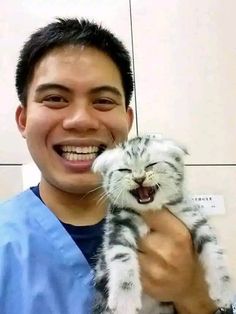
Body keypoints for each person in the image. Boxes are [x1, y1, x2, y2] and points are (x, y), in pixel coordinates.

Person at [0, 18, 233, 314]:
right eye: (56, 98)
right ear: (23, 119)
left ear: (128, 120)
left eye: (103, 101)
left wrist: (196, 297)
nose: (81, 121)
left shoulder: (179, 227)